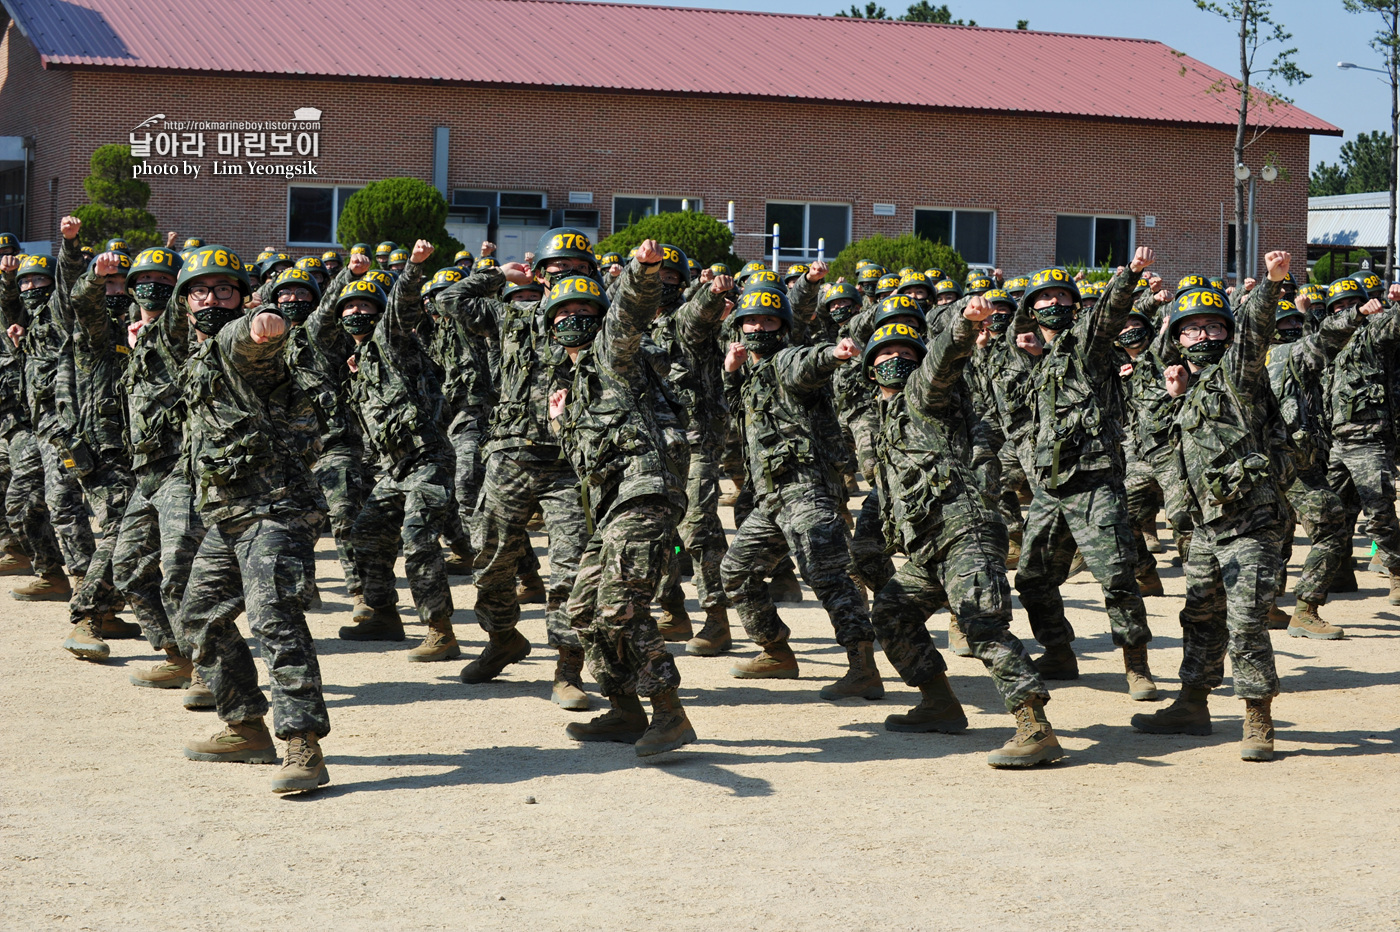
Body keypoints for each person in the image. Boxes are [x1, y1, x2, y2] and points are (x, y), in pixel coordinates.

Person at [862, 307, 1061, 767]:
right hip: (930, 545)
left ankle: (1035, 728)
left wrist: (965, 326)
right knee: (892, 612)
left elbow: (942, 359)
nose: (896, 358)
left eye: (905, 352)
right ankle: (939, 703)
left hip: (965, 529)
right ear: (872, 367)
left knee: (982, 623)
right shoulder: (887, 422)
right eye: (886, 352)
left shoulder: (924, 395)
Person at [175, 245, 331, 793]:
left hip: (276, 510)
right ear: (185, 302)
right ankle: (246, 726)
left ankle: (302, 743)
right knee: (196, 618)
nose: (213, 300)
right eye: (202, 291)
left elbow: (246, 344)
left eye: (226, 291)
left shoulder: (239, 342)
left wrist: (261, 328)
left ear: (244, 298)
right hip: (229, 513)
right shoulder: (191, 356)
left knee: (275, 619)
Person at [1131, 252, 1291, 761]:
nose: (1204, 336)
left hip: (1251, 523)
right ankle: (1193, 703)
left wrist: (1270, 284)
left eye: (1212, 327)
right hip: (1204, 526)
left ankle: (1257, 716)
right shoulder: (1174, 388)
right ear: (1177, 338)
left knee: (1246, 620)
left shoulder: (1239, 378)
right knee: (1200, 614)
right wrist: (1176, 397)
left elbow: (1254, 334)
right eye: (1191, 329)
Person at [545, 243, 696, 757]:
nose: (574, 318)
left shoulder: (611, 357)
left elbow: (628, 311)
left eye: (584, 310)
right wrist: (562, 422)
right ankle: (624, 708)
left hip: (645, 492)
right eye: (563, 310)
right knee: (583, 609)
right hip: (614, 506)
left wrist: (642, 271)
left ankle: (669, 713)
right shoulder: (575, 388)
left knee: (620, 606)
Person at [435, 231, 593, 710]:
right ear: (541, 274)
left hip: (570, 464)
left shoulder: (602, 325)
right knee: (491, 562)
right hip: (510, 456)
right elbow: (448, 300)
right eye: (554, 267)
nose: (563, 274)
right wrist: (496, 274)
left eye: (574, 267)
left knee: (570, 571)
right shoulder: (511, 316)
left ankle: (568, 668)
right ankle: (502, 638)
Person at [1010, 252, 1159, 701]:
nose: (1054, 303)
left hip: (1095, 484)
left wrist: (1129, 278)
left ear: (1075, 305)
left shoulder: (1086, 343)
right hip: (1051, 488)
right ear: (1032, 309)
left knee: (1116, 578)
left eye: (1062, 295)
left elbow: (1109, 315)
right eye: (1044, 298)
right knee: (1033, 578)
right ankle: (1057, 651)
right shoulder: (1032, 357)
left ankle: (1137, 666)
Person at [720, 282, 880, 699]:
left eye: (768, 320)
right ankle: (776, 651)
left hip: (807, 491)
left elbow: (807, 363)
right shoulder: (751, 373)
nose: (758, 327)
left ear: (783, 327)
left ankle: (862, 666)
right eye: (751, 320)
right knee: (736, 571)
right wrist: (731, 371)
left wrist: (834, 353)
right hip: (773, 498)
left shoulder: (786, 360)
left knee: (827, 576)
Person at [334, 242, 460, 661]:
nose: (356, 313)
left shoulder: (392, 343)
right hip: (397, 470)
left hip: (429, 462)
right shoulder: (359, 364)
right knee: (368, 533)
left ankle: (440, 630)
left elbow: (400, 307)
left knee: (419, 539)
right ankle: (384, 615)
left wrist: (412, 269)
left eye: (365, 307)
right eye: (348, 308)